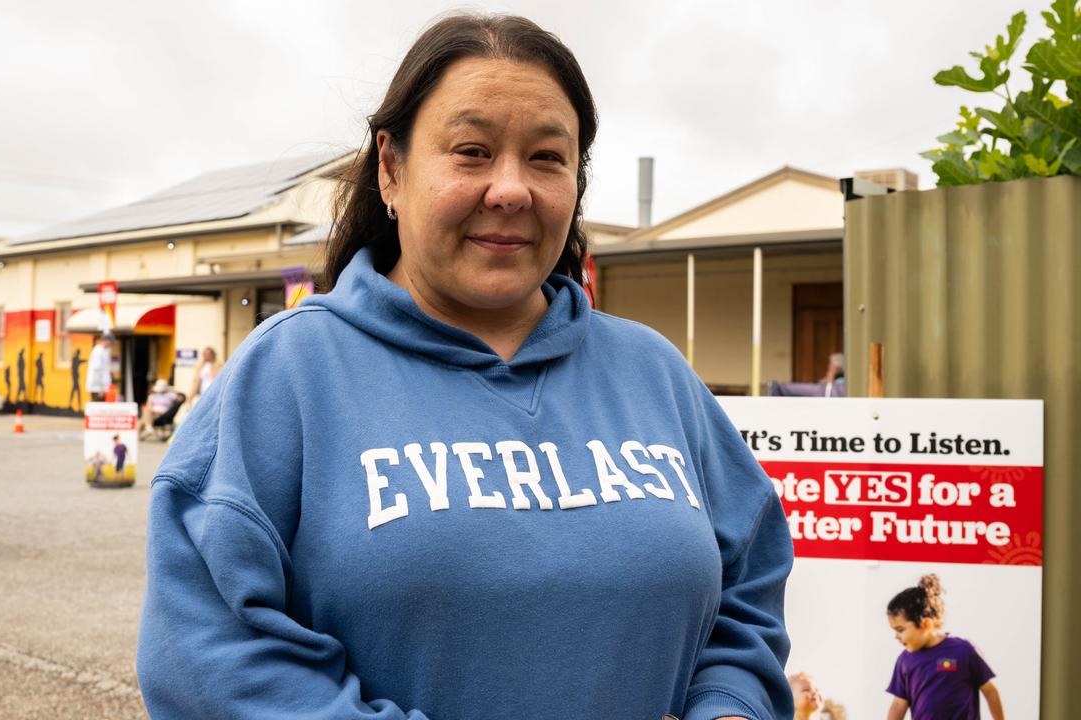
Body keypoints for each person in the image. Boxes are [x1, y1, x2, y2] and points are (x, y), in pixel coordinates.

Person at [137, 13, 792, 720]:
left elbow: (747, 590)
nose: (511, 189)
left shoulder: (654, 373)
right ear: (391, 168)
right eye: (472, 151)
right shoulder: (286, 376)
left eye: (547, 157)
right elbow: (210, 658)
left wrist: (730, 706)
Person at [885, 574, 1003, 720]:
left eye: (900, 630)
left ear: (926, 624)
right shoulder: (904, 660)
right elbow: (899, 703)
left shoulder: (963, 650)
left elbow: (989, 691)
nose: (896, 637)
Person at [86, 333, 113, 402]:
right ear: (107, 341)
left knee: (100, 408)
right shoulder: (98, 351)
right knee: (97, 408)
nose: (111, 344)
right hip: (98, 389)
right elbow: (97, 370)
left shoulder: (104, 351)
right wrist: (100, 388)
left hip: (102, 388)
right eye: (111, 342)